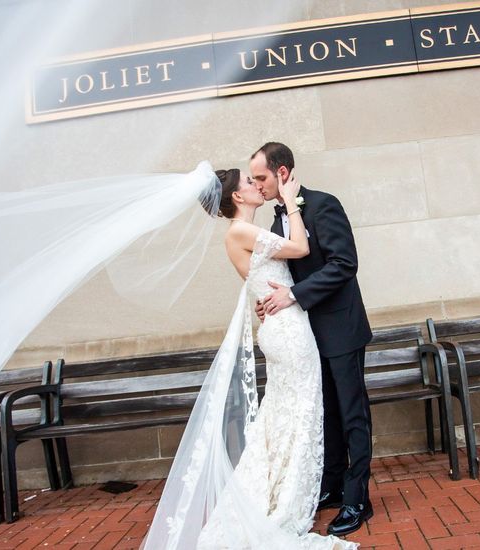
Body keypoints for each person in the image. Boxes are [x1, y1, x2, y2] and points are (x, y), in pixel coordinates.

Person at [142, 168, 357, 550]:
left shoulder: (243, 233)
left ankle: (293, 488)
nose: (257, 186)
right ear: (237, 197)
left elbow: (265, 281)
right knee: (300, 411)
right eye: (248, 182)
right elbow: (301, 249)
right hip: (288, 331)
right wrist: (291, 201)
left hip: (282, 325)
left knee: (286, 414)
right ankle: (285, 497)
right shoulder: (239, 231)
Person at [250, 143, 374, 537]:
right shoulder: (275, 223)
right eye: (252, 179)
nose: (257, 184)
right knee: (328, 413)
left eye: (261, 177)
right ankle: (334, 485)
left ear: (283, 172)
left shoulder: (323, 205)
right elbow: (285, 277)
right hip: (305, 336)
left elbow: (344, 263)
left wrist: (293, 295)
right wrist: (273, 301)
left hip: (341, 328)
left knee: (353, 414)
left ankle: (358, 498)